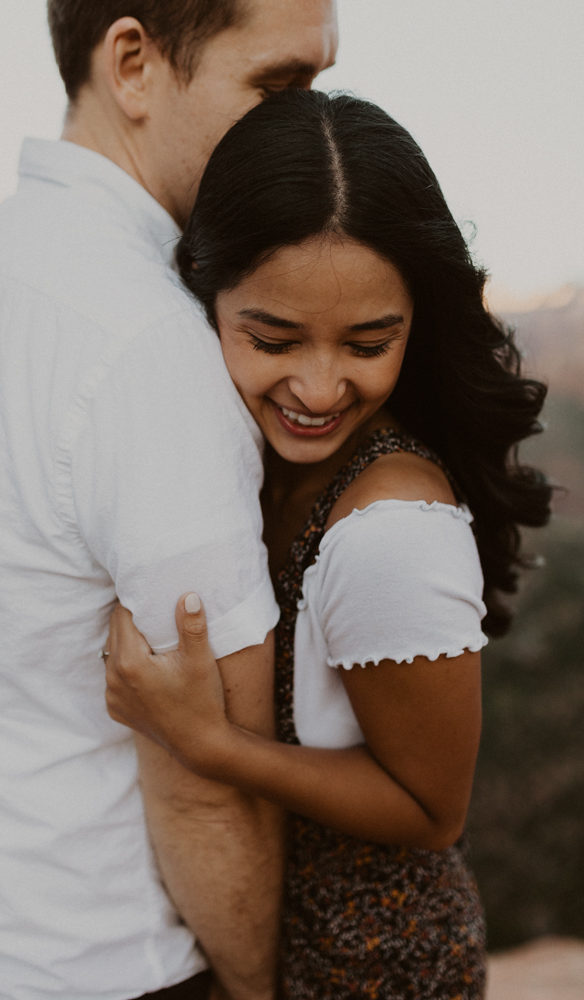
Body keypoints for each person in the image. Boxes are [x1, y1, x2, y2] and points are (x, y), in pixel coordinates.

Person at [0, 5, 338, 1000]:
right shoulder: (150, 342)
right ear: (132, 65)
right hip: (110, 966)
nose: (310, 129)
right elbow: (205, 784)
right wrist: (261, 989)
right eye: (278, 87)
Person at [103, 91, 552, 1000]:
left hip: (374, 970)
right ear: (204, 295)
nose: (317, 386)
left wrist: (208, 744)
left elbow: (432, 811)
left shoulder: (391, 533)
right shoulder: (245, 457)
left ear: (415, 322)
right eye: (270, 338)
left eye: (368, 342)